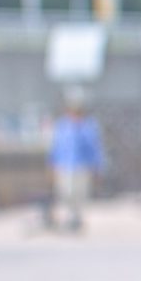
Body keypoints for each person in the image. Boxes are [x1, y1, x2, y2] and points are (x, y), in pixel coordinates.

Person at [48, 92, 103, 233]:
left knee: (79, 193)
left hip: (82, 166)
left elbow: (94, 147)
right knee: (65, 192)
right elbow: (56, 146)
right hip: (64, 165)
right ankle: (70, 215)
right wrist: (52, 164)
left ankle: (76, 218)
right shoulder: (62, 126)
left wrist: (98, 166)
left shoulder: (87, 126)